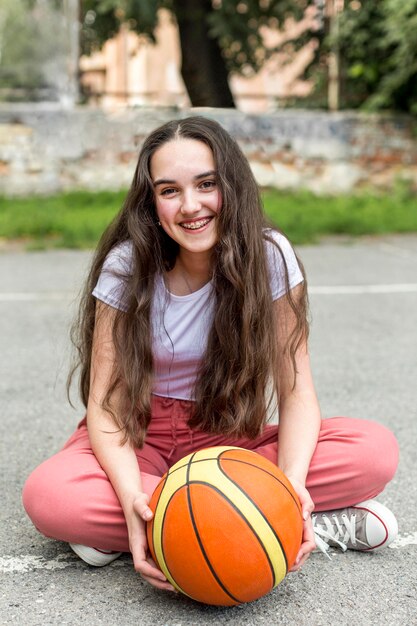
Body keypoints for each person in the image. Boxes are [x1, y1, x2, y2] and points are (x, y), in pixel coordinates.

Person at [23, 116, 399, 591]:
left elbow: (296, 391)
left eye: (206, 184)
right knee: (51, 498)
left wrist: (291, 488)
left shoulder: (270, 258)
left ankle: (224, 524)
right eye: (169, 190)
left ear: (232, 186)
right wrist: (130, 492)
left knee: (374, 451)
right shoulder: (126, 265)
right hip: (142, 438)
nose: (191, 206)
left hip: (231, 443)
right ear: (151, 202)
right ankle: (237, 529)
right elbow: (104, 405)